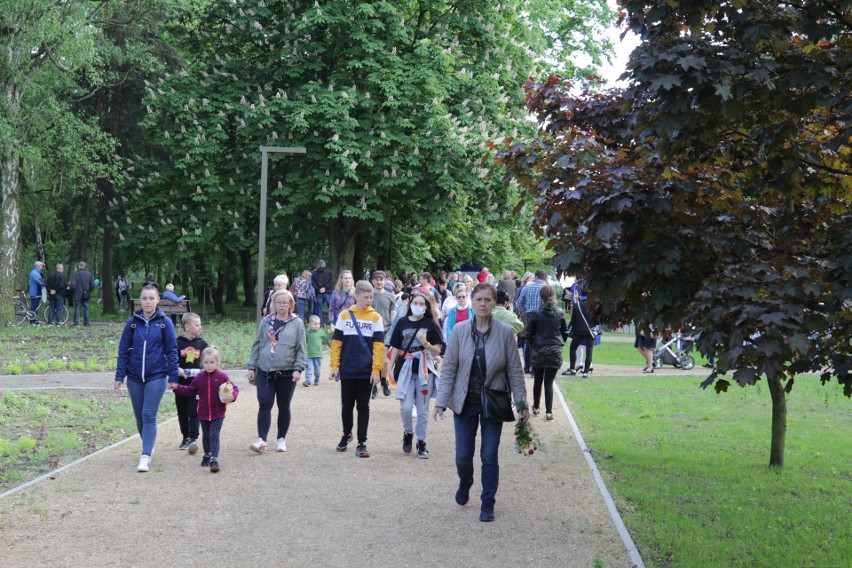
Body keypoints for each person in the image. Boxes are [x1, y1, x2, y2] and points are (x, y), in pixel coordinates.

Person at [433, 283, 529, 522]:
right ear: (473, 302)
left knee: (489, 454)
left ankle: (488, 502)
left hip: (493, 401)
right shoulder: (459, 331)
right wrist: (441, 401)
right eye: (479, 299)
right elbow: (449, 370)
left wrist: (522, 402)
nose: (483, 304)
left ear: (494, 303)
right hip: (465, 401)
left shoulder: (506, 333)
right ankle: (465, 482)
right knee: (463, 455)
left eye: (488, 299)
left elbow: (515, 371)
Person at [114, 284, 179, 472]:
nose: (148, 302)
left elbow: (172, 350)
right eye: (144, 298)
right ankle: (148, 445)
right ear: (139, 301)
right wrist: (120, 375)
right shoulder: (132, 323)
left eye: (152, 298)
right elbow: (123, 350)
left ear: (158, 300)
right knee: (139, 417)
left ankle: (145, 455)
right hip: (134, 376)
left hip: (157, 375)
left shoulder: (165, 323)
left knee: (148, 414)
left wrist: (173, 376)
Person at [247, 289, 307, 453]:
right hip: (265, 370)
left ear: (291, 304)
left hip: (287, 371)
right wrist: (252, 366)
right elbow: (257, 344)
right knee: (264, 403)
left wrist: (298, 368)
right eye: (278, 302)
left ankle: (281, 439)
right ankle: (262, 440)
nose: (281, 305)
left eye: (285, 302)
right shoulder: (266, 321)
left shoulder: (297, 323)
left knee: (284, 405)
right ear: (273, 304)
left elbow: (301, 349)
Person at [329, 280, 385, 458]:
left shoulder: (376, 318)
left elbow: (379, 347)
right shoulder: (345, 315)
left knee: (363, 406)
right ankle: (347, 434)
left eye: (371, 297)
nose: (369, 300)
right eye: (366, 297)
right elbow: (337, 343)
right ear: (356, 296)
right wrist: (334, 366)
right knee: (346, 405)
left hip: (366, 371)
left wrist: (376, 371)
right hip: (347, 369)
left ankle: (362, 442)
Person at [388, 290, 444, 458]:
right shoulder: (402, 322)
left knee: (423, 410)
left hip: (424, 371)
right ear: (410, 304)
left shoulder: (431, 324)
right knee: (405, 408)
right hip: (406, 368)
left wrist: (424, 342)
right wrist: (390, 368)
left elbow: (438, 350)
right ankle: (408, 433)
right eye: (415, 303)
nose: (418, 306)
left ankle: (421, 441)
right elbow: (396, 346)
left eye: (421, 304)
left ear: (426, 307)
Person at [169, 347, 238, 473]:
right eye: (206, 363)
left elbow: (234, 388)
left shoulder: (222, 376)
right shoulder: (199, 378)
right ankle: (207, 454)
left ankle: (214, 459)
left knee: (214, 435)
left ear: (217, 362)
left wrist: (232, 397)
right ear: (202, 363)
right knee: (206, 436)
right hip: (203, 413)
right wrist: (177, 387)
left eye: (212, 362)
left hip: (218, 413)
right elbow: (190, 390)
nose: (209, 365)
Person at [526, 285, 569, 420]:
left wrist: (533, 345)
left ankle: (536, 407)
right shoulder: (560, 313)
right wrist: (560, 344)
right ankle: (549, 412)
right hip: (555, 350)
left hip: (539, 349)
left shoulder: (535, 313)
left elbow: (528, 333)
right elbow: (565, 332)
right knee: (549, 382)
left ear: (541, 297)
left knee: (538, 380)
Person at [175, 313, 209, 453]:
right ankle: (185, 436)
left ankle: (193, 438)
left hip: (197, 386)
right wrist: (175, 368)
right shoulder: (177, 342)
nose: (200, 327)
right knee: (182, 411)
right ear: (187, 327)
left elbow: (210, 358)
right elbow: (170, 359)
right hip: (181, 385)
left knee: (193, 411)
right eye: (197, 325)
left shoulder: (202, 343)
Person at [515, 269, 549, 373]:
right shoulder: (547, 288)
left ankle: (527, 366)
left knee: (528, 341)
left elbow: (519, 303)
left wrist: (526, 311)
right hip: (543, 316)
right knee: (541, 342)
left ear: (536, 277)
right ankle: (536, 368)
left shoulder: (527, 287)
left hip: (530, 315)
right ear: (545, 277)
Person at [369, 270, 395, 399]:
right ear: (373, 281)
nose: (379, 282)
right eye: (377, 279)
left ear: (385, 281)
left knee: (385, 361)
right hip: (371, 331)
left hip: (385, 331)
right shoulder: (369, 296)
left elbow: (393, 315)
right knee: (373, 360)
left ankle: (384, 380)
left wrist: (392, 333)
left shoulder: (390, 296)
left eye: (381, 279)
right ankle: (373, 385)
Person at [566, 287, 598, 378]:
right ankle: (586, 372)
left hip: (579, 330)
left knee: (573, 348)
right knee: (589, 351)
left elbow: (573, 320)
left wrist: (568, 329)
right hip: (591, 330)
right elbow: (597, 320)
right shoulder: (594, 306)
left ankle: (572, 369)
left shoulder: (577, 305)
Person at [304, 315, 328, 386]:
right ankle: (307, 381)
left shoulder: (320, 332)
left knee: (317, 370)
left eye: (318, 324)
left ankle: (317, 379)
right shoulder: (307, 332)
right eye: (315, 324)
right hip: (309, 354)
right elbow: (302, 340)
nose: (317, 326)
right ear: (309, 324)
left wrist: (331, 332)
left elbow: (326, 337)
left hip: (318, 354)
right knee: (309, 368)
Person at [70, 261, 95, 327]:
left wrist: (73, 291)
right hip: (86, 294)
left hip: (77, 294)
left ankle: (76, 323)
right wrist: (89, 291)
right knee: (86, 308)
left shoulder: (76, 274)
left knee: (77, 308)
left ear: (79, 266)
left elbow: (73, 285)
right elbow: (92, 285)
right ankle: (86, 323)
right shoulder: (89, 274)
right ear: (85, 266)